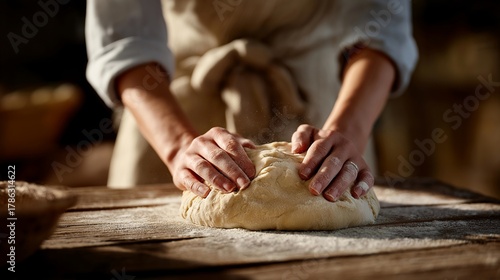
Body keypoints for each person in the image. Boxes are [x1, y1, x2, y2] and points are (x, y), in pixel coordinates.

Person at [85, 0, 417, 202]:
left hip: (325, 109)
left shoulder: (339, 134)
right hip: (171, 111)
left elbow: (383, 27)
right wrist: (177, 148)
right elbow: (125, 38)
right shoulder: (176, 144)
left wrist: (347, 132)